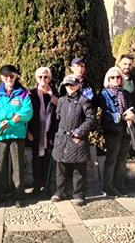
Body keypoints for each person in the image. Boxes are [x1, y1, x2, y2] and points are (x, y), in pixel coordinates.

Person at [0, 65, 33, 208]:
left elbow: (27, 112)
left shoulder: (23, 93)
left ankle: (18, 195)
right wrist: (12, 116)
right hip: (1, 134)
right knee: (1, 166)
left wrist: (11, 122)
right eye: (5, 76)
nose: (8, 79)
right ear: (1, 77)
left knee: (17, 166)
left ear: (16, 76)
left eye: (11, 76)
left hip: (17, 133)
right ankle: (0, 194)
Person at [51, 75, 96, 206]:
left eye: (72, 85)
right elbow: (58, 118)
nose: (69, 88)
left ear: (77, 85)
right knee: (61, 167)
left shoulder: (84, 101)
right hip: (62, 139)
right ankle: (61, 191)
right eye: (67, 85)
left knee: (78, 168)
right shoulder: (61, 101)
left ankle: (78, 193)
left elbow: (91, 119)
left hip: (77, 139)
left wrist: (80, 131)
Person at [100, 66, 135, 197]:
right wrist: (121, 116)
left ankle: (119, 184)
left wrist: (131, 114)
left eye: (118, 77)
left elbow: (131, 107)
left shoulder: (125, 93)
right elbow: (106, 113)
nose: (115, 79)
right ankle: (107, 187)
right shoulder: (104, 94)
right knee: (111, 159)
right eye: (112, 77)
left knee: (122, 159)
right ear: (108, 79)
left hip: (126, 129)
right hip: (112, 130)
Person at [27, 67, 59, 195]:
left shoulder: (55, 93)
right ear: (36, 78)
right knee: (36, 161)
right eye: (40, 77)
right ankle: (36, 187)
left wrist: (58, 104)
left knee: (47, 160)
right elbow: (27, 114)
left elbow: (60, 114)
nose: (43, 79)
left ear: (49, 78)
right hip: (36, 132)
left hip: (50, 132)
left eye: (45, 77)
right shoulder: (32, 94)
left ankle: (46, 187)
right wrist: (28, 131)